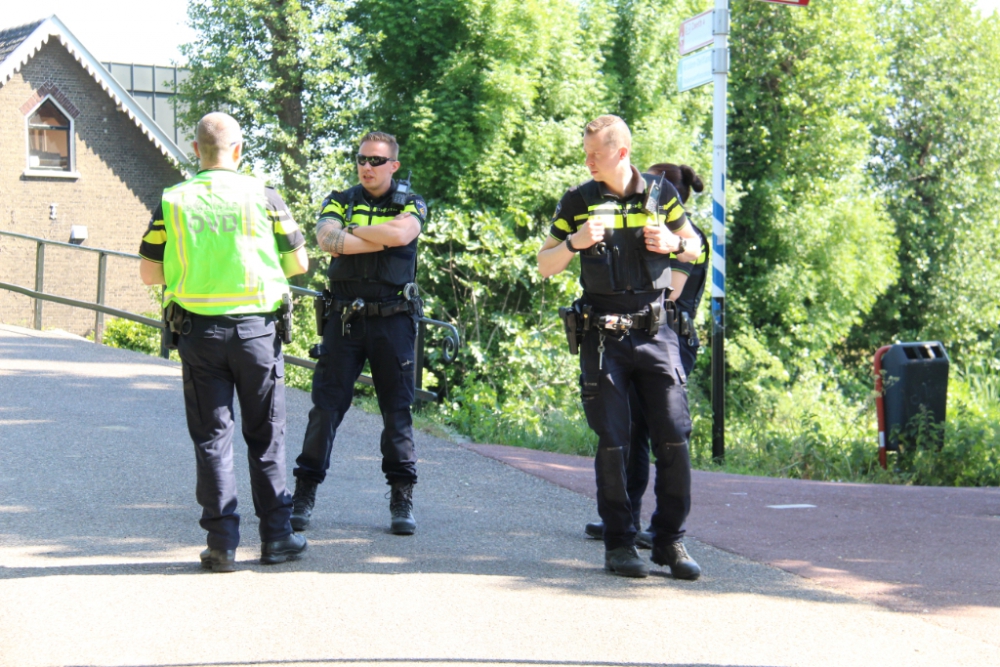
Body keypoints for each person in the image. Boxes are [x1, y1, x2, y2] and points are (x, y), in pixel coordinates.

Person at [138, 111, 310, 572]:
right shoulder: (265, 196)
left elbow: (149, 272)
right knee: (266, 437)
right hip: (257, 333)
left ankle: (221, 546)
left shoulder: (173, 201)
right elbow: (299, 264)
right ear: (238, 150)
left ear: (196, 150)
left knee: (213, 439)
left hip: (199, 335)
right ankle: (277, 538)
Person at [538, 116, 702, 580]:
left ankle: (669, 540)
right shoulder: (578, 200)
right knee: (614, 440)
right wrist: (573, 242)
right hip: (603, 337)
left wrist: (673, 241)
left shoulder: (660, 195)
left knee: (674, 434)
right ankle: (619, 542)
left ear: (622, 152)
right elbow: (545, 265)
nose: (587, 160)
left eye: (596, 153)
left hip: (656, 333)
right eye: (586, 152)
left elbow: (693, 246)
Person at [290, 131, 427, 536]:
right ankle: (303, 493)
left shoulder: (412, 203)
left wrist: (354, 236)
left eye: (376, 161)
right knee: (325, 410)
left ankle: (401, 498)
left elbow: (403, 235)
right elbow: (326, 239)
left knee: (397, 413)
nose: (367, 167)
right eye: (361, 159)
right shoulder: (340, 198)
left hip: (394, 320)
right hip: (344, 320)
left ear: (394, 165)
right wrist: (379, 237)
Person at [583, 163, 708, 549]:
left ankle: (657, 529)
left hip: (667, 337)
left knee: (661, 432)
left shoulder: (680, 236)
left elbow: (670, 290)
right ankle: (627, 518)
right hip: (642, 335)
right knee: (630, 430)